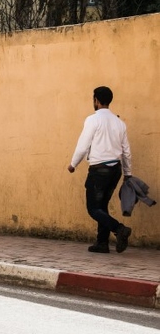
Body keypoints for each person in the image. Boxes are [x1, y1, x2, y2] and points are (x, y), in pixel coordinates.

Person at [67, 86, 132, 253]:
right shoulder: (120, 123)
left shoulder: (92, 120)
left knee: (93, 208)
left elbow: (83, 145)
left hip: (99, 170)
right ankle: (102, 243)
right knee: (102, 206)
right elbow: (126, 151)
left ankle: (119, 229)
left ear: (96, 100)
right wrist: (127, 173)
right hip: (115, 170)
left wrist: (73, 164)